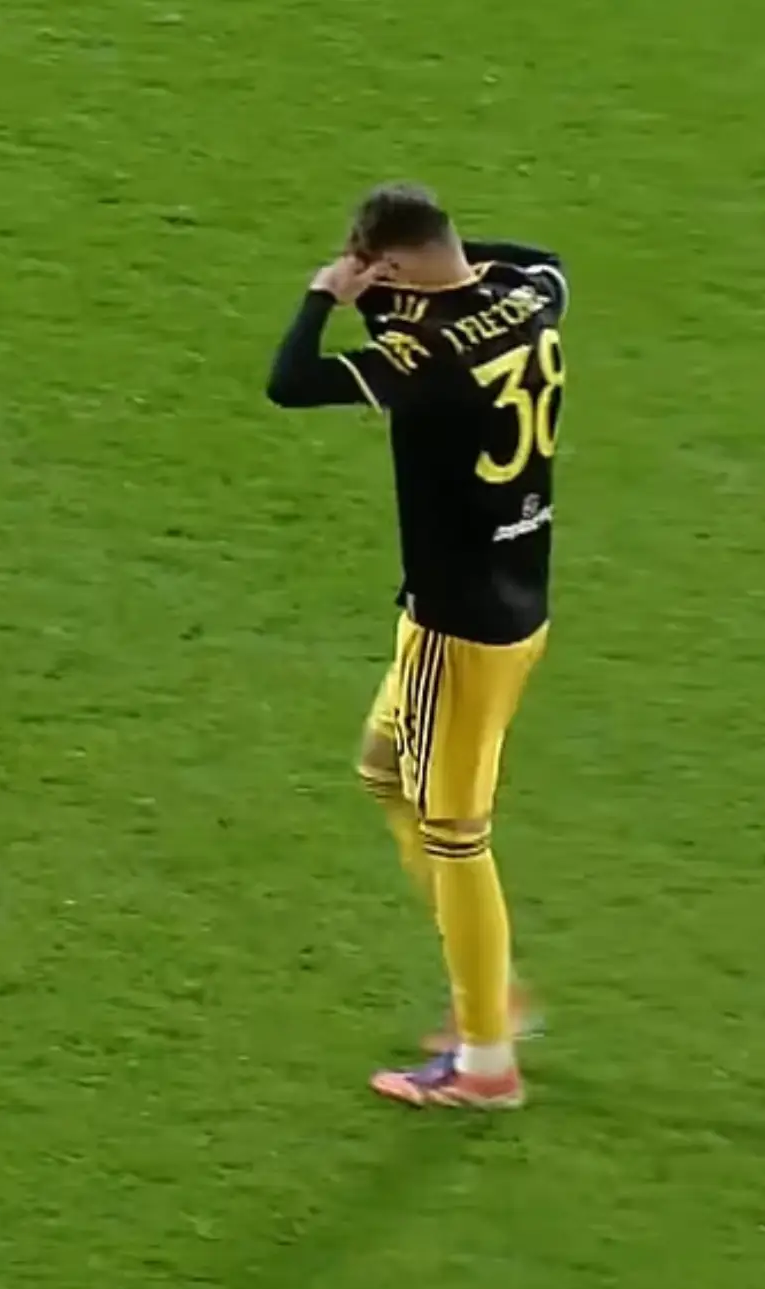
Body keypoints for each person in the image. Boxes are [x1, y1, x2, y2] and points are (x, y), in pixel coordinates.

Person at [265, 183, 568, 1109]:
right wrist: (410, 266)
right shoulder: (532, 292)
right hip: (516, 594)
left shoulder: (423, 354)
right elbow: (523, 250)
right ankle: (492, 995)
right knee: (383, 769)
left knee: (455, 834)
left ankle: (488, 1060)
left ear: (393, 263)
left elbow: (291, 381)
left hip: (458, 622)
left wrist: (328, 293)